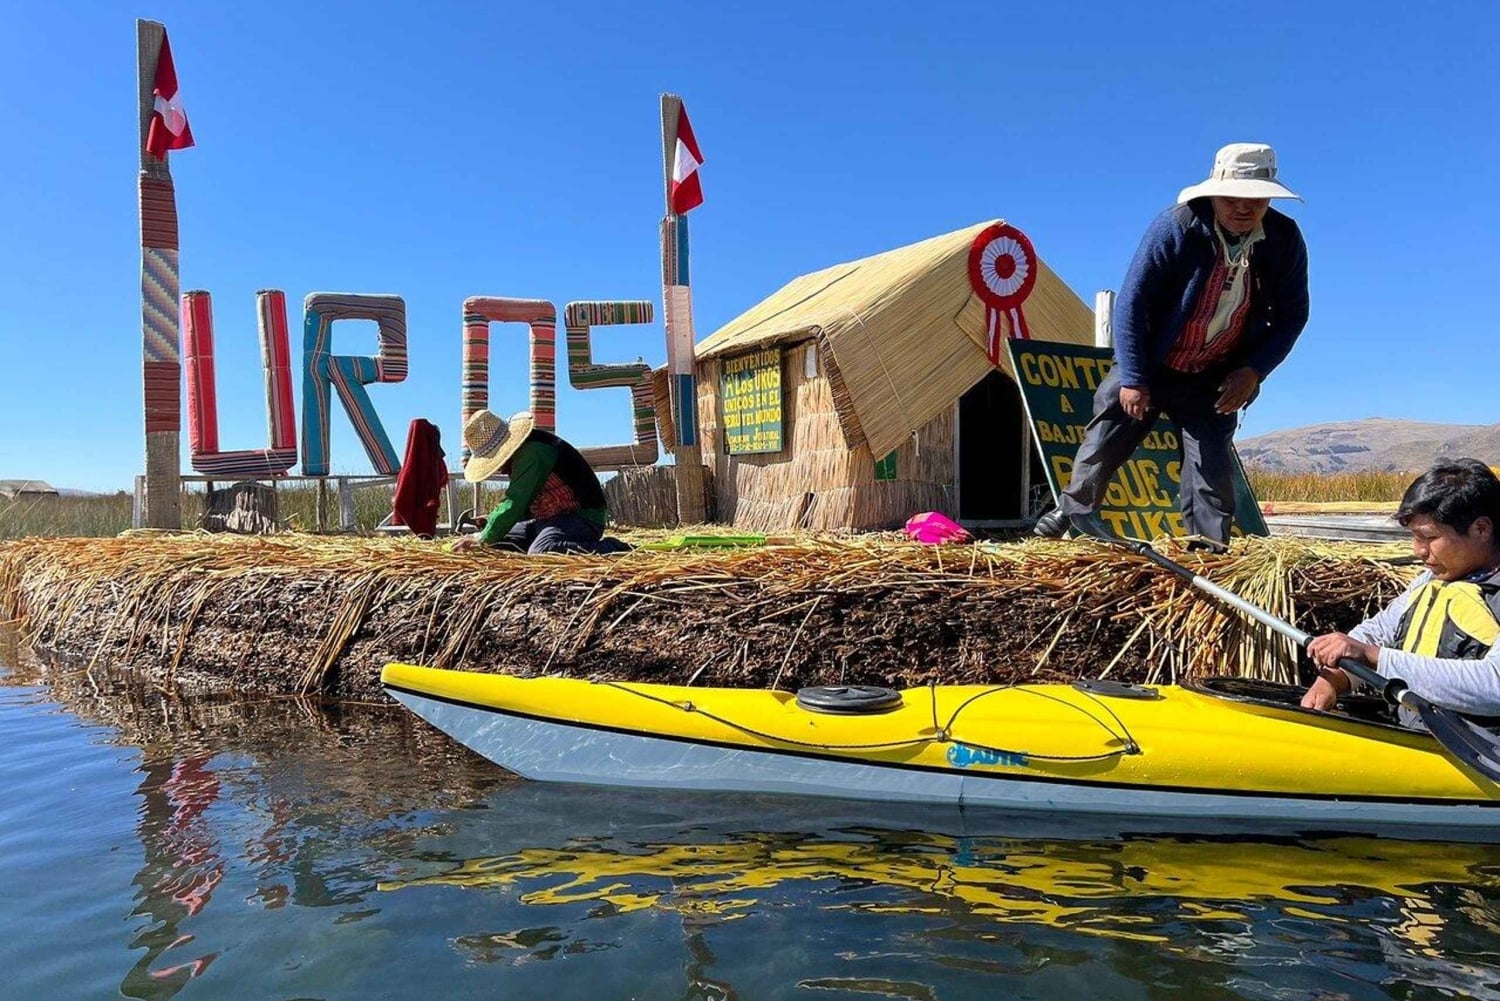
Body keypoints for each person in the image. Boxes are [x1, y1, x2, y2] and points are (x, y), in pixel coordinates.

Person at [1035, 142, 1310, 547]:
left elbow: (1292, 315)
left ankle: (1209, 547)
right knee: (1111, 428)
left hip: (1216, 370)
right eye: (1232, 197)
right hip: (1154, 360)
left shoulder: (1283, 239)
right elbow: (1133, 302)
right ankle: (1074, 509)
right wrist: (1133, 376)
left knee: (1210, 462)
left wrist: (1253, 371)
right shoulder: (1178, 226)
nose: (1243, 208)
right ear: (1213, 193)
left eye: (1255, 199)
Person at [1300, 459, 1500, 727]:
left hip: (1479, 752)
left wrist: (1371, 657)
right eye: (1414, 537)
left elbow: (1494, 685)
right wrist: (1334, 678)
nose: (1418, 550)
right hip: (1414, 732)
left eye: (1428, 538)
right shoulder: (1431, 581)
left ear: (1481, 529)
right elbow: (1377, 631)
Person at [451, 408, 613, 555]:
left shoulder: (532, 452)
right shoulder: (522, 455)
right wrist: (490, 521)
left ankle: (612, 548)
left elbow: (516, 501)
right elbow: (528, 504)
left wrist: (483, 537)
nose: (498, 468)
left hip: (580, 519)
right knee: (494, 544)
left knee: (542, 551)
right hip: (545, 520)